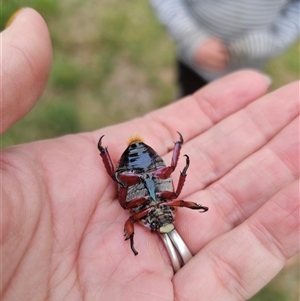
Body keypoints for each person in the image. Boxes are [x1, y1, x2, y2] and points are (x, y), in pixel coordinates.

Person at [1, 8, 299, 301]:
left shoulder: (135, 212)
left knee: (119, 179)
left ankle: (114, 155)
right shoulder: (172, 203)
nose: (161, 217)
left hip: (131, 170)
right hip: (157, 168)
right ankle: (159, 156)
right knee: (151, 177)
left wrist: (136, 216)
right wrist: (178, 172)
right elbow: (178, 195)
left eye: (157, 220)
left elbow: (125, 204)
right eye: (163, 217)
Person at [149, 0, 300, 96]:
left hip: (247, 68)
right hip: (195, 62)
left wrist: (271, 41)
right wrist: (191, 37)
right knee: (187, 104)